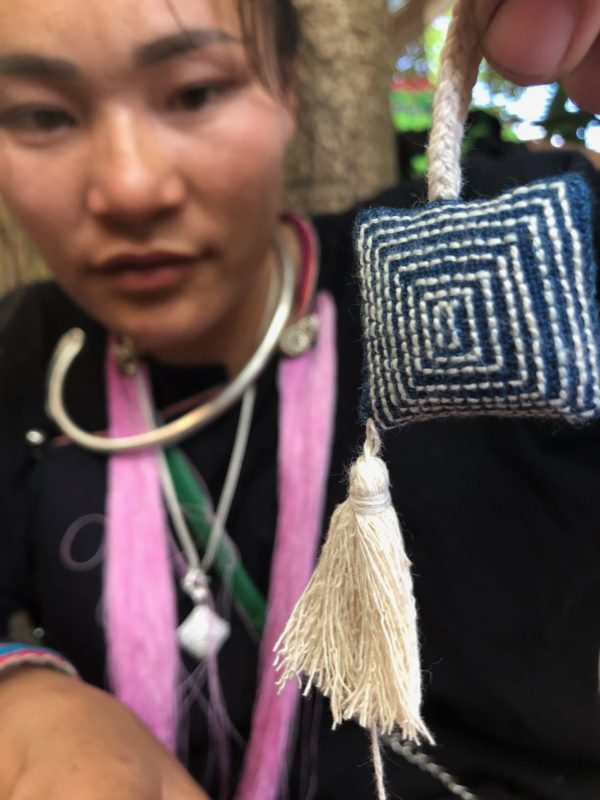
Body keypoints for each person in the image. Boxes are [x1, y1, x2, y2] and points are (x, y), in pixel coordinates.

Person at [0, 0, 598, 799]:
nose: (130, 187)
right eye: (40, 115)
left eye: (193, 92)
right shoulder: (26, 353)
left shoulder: (516, 269)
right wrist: (24, 693)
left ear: (287, 88)